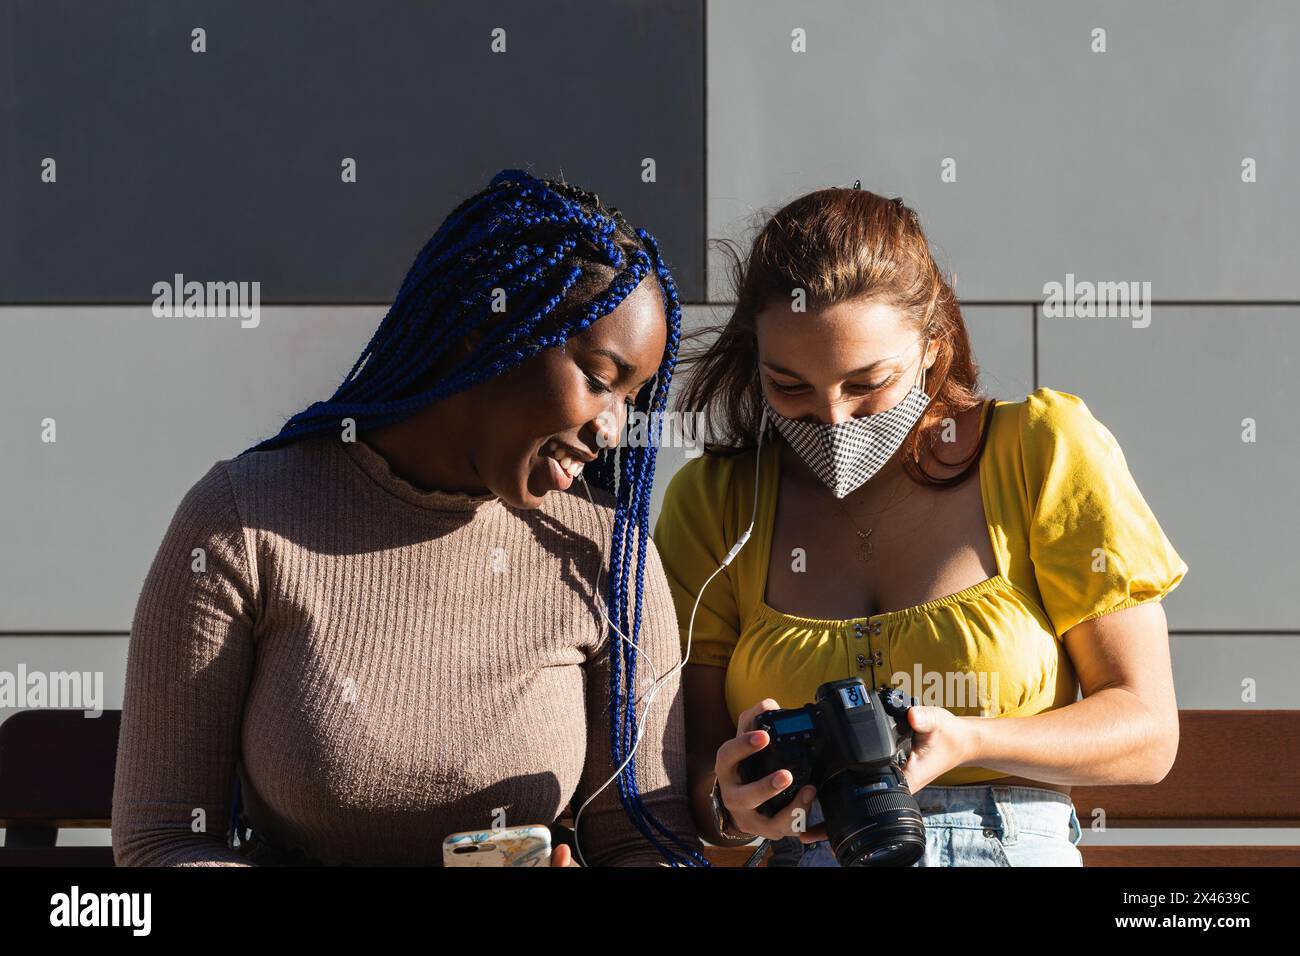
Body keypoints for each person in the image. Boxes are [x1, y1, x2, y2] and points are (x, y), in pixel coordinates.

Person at [111, 169, 706, 867]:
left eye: (634, 398)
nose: (615, 429)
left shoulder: (607, 554)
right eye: (602, 380)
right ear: (486, 332)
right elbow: (165, 842)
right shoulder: (244, 523)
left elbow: (646, 840)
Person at [653, 184, 1188, 866]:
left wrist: (972, 741)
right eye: (789, 387)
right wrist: (733, 803)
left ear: (934, 347)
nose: (833, 418)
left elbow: (1146, 734)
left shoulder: (1040, 451)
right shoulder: (716, 504)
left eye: (866, 382)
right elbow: (696, 784)